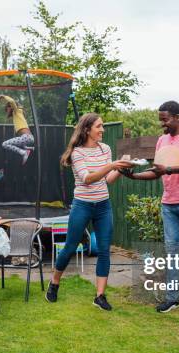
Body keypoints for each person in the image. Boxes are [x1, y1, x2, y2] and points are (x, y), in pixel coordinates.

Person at [123, 100, 179, 318]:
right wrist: (134, 175)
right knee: (172, 252)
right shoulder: (162, 141)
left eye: (165, 120)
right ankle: (172, 299)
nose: (162, 125)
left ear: (177, 117)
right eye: (160, 120)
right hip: (169, 203)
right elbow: (157, 172)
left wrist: (169, 169)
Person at [45, 113, 133, 311]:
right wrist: (112, 165)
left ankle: (100, 296)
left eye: (102, 126)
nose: (102, 130)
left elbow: (107, 180)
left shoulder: (105, 149)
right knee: (69, 247)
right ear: (87, 130)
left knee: (104, 250)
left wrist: (122, 168)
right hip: (82, 205)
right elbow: (87, 179)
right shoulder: (78, 153)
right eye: (99, 127)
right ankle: (54, 283)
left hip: (103, 206)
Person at [0, 94, 34, 165]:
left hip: (26, 137)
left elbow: (12, 101)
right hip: (28, 138)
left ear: (10, 107)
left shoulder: (16, 111)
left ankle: (24, 152)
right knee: (19, 144)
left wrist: (2, 96)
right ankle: (31, 148)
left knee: (4, 144)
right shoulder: (17, 114)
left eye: (6, 109)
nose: (6, 112)